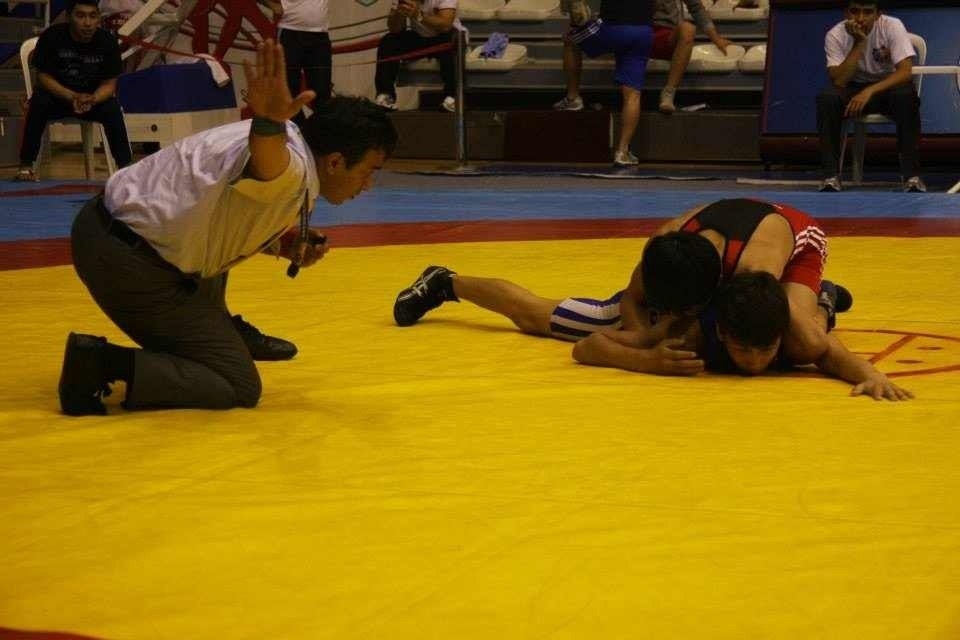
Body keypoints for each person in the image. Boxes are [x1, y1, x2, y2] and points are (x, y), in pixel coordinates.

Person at [57, 40, 398, 416]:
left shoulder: (291, 142)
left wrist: (279, 242)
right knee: (236, 384)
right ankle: (100, 363)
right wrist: (267, 123)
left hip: (108, 229)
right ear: (334, 162)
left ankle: (218, 328)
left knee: (215, 251)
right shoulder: (289, 168)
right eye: (368, 172)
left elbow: (227, 206)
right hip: (126, 263)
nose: (368, 185)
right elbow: (268, 163)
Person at [390, 265, 911, 400]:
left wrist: (871, 375)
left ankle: (822, 298)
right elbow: (587, 348)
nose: (754, 364)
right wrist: (643, 358)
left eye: (765, 351)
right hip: (663, 306)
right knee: (536, 315)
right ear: (721, 333)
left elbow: (834, 356)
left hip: (775, 303)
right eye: (742, 351)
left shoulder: (797, 335)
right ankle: (447, 281)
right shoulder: (687, 333)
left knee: (813, 322)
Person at [15, 0, 132, 182]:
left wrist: (93, 99)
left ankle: (126, 170)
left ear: (99, 18)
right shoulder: (52, 36)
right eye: (81, 16)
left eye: (93, 16)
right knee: (38, 102)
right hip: (58, 97)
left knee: (112, 108)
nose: (88, 23)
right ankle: (26, 166)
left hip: (91, 101)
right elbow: (43, 77)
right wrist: (72, 96)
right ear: (69, 17)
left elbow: (110, 84)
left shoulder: (107, 41)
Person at [816, 0, 924, 193]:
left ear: (878, 14)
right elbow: (839, 81)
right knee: (827, 98)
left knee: (907, 97)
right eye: (854, 11)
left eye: (867, 12)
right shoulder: (835, 34)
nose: (860, 18)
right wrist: (860, 42)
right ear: (846, 13)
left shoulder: (892, 26)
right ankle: (830, 176)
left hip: (886, 86)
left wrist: (870, 91)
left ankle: (912, 177)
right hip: (852, 87)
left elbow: (905, 72)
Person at [555, 0, 733, 116]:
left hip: (663, 35)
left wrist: (716, 38)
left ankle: (668, 93)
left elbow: (696, 8)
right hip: (634, 30)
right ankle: (573, 97)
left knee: (688, 29)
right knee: (572, 38)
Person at [554, 0, 653, 166]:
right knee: (633, 94)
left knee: (570, 39)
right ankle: (622, 152)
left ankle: (572, 98)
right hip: (643, 32)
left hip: (612, 29)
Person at [374, 0, 465, 113]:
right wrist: (399, 13)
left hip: (446, 36)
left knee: (452, 41)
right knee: (389, 41)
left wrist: (419, 16)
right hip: (420, 36)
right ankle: (386, 94)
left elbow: (445, 25)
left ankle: (452, 96)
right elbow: (395, 29)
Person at [264, 0, 332, 123]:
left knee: (322, 93)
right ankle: (297, 131)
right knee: (288, 92)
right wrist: (273, 5)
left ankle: (319, 133)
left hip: (320, 34)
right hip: (290, 32)